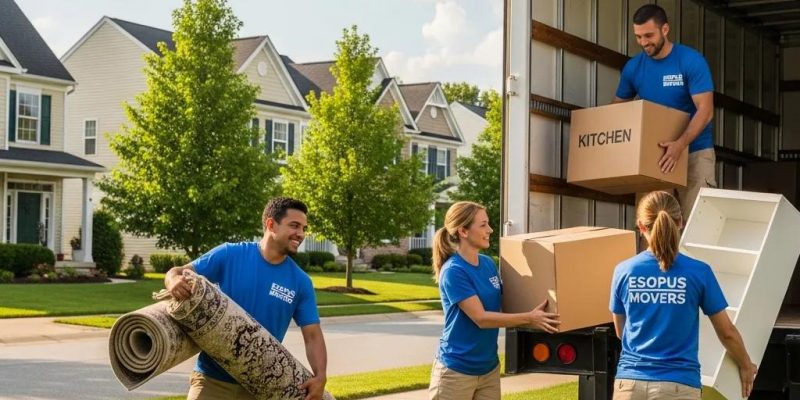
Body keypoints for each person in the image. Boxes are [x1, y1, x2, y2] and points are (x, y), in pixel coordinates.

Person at [165, 197, 327, 400]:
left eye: (304, 228)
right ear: (271, 224)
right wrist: (172, 280)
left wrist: (321, 376)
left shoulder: (301, 282)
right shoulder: (230, 254)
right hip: (212, 380)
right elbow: (180, 271)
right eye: (294, 226)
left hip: (259, 386)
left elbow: (312, 335)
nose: (301, 234)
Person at [609, 191, 757, 400]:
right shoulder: (699, 272)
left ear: (641, 227)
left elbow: (621, 331)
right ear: (680, 223)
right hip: (678, 385)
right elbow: (727, 332)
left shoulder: (623, 271)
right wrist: (746, 365)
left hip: (629, 385)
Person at [428, 201, 560, 400]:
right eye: (483, 225)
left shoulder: (488, 264)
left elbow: (508, 300)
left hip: (488, 368)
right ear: (463, 231)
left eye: (488, 223)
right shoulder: (454, 271)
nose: (490, 230)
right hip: (456, 371)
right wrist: (529, 318)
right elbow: (481, 318)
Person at [614, 4, 716, 220]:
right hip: (654, 155)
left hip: (695, 152)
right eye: (638, 37)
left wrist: (680, 144)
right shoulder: (633, 68)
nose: (643, 43)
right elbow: (617, 111)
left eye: (649, 35)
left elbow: (705, 111)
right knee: (652, 226)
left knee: (698, 224)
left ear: (665, 30)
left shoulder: (690, 61)